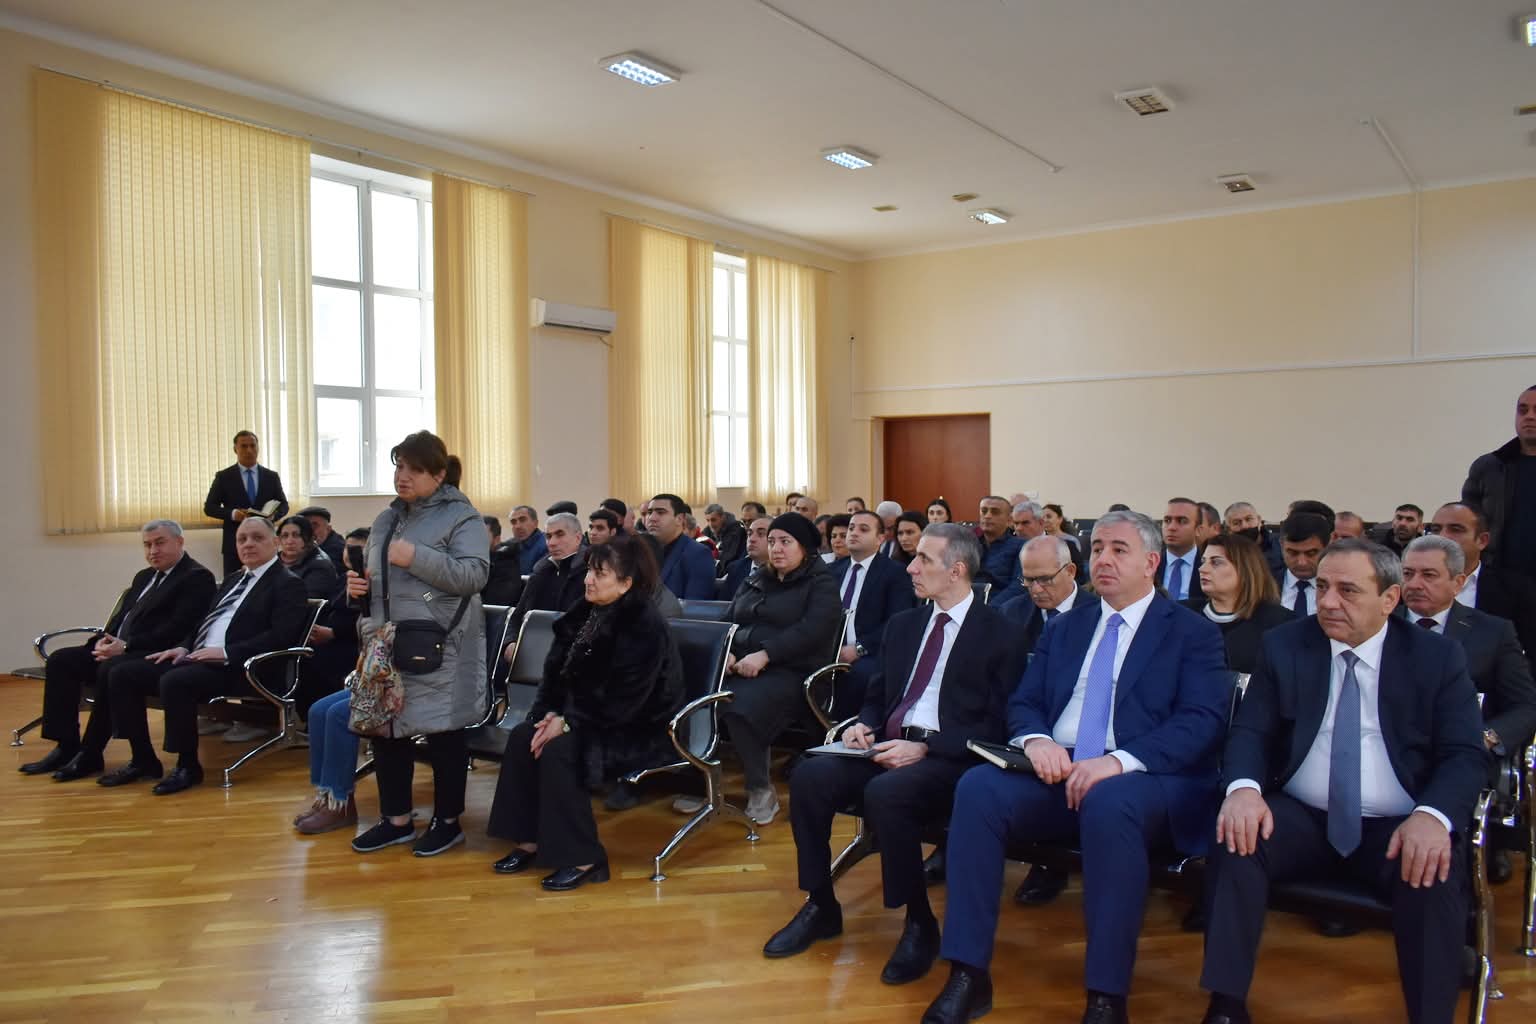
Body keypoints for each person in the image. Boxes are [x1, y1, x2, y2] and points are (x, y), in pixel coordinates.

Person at [924, 510, 1230, 1024]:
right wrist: (1037, 740)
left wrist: (1116, 761)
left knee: (1109, 803)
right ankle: (967, 973)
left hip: (1143, 778)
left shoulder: (1191, 633)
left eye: (1119, 550)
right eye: (1099, 548)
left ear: (1151, 562)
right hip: (1059, 770)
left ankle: (1106, 997)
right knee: (978, 788)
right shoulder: (1069, 626)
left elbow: (1201, 722)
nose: (1103, 559)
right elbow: (1025, 701)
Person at [1198, 539, 1486, 1024]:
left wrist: (1433, 816)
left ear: (1389, 599)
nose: (1329, 602)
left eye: (1348, 590)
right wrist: (1244, 789)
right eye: (1323, 587)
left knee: (1433, 869)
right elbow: (1251, 731)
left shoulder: (1436, 657)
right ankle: (1225, 1006)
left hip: (1398, 822)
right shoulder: (1287, 644)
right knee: (1236, 838)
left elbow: (1464, 754)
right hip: (1302, 815)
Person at [764, 524, 1025, 984]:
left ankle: (918, 920)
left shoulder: (1000, 633)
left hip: (950, 757)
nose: (911, 568)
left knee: (889, 794)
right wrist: (863, 724)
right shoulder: (905, 626)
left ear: (957, 570)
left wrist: (925, 746)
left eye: (924, 559)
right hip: (887, 744)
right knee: (809, 775)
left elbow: (997, 722)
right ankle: (820, 904)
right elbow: (879, 695)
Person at [487, 535, 685, 888]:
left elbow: (627, 698)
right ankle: (529, 840)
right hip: (586, 718)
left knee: (562, 751)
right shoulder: (584, 613)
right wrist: (549, 715)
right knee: (523, 736)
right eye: (589, 571)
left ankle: (585, 858)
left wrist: (568, 723)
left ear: (626, 583)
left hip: (636, 727)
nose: (588, 580)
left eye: (600, 574)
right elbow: (555, 677)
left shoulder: (643, 624)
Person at [81, 515, 308, 794]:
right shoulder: (234, 579)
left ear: (275, 543)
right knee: (122, 673)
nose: (248, 544)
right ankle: (143, 759)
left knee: (176, 681)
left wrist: (225, 652)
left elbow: (281, 637)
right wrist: (184, 646)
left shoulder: (287, 583)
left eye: (257, 538)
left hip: (244, 667)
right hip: (201, 659)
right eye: (241, 539)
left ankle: (187, 766)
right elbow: (203, 623)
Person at [346, 430, 489, 856]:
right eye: (399, 466)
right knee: (388, 730)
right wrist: (357, 590)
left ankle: (448, 823)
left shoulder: (463, 518)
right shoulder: (386, 520)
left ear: (439, 475)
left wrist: (417, 558)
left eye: (414, 469)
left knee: (444, 733)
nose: (402, 476)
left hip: (441, 644)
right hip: (388, 643)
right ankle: (397, 820)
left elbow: (474, 575)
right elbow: (381, 582)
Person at [22, 520, 216, 778]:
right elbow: (120, 620)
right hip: (121, 648)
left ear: (180, 542)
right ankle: (66, 746)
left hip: (154, 651)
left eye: (160, 543)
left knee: (112, 669)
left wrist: (126, 646)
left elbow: (178, 628)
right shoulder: (144, 576)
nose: (152, 551)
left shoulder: (196, 577)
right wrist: (101, 642)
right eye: (147, 545)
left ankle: (91, 752)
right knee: (61, 660)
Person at [681, 513, 841, 825]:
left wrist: (766, 654)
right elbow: (728, 619)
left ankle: (760, 788)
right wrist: (725, 651)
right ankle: (704, 783)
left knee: (740, 706)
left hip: (794, 671)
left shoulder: (821, 583)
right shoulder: (756, 579)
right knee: (693, 696)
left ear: (805, 547)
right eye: (772, 542)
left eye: (785, 542)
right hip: (741, 666)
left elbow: (813, 631)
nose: (776, 548)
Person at [1401, 536, 1536, 758]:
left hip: (1462, 755)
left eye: (1428, 575)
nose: (1415, 584)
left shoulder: (1493, 632)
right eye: (1408, 574)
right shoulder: (1378, 625)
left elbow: (1525, 706)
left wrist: (1485, 738)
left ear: (1458, 583)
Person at [829, 509, 918, 719]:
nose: (853, 533)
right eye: (851, 528)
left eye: (863, 529)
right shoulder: (831, 571)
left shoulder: (895, 573)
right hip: (828, 649)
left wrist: (859, 648)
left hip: (870, 652)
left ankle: (849, 729)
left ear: (880, 538)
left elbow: (898, 621)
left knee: (859, 676)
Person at [1429, 501, 1536, 661]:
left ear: (1482, 540)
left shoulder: (1516, 591)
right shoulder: (1404, 585)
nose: (1442, 537)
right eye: (1436, 529)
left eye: (1456, 529)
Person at [1462, 384, 1536, 582]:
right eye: (1523, 410)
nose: (1529, 416)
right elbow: (1469, 523)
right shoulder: (1488, 467)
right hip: (1499, 579)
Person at [1189, 533, 1291, 674]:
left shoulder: (1279, 622)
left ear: (1245, 568)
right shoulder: (1183, 614)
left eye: (1216, 562)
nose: (1202, 569)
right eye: (1203, 561)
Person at [203, 430, 289, 575]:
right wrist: (233, 514)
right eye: (244, 446)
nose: (249, 450)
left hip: (264, 540)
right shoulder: (224, 477)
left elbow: (284, 505)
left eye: (252, 446)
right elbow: (210, 507)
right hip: (235, 543)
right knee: (235, 583)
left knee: (267, 581)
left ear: (258, 448)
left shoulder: (271, 476)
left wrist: (273, 516)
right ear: (235, 449)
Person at [504, 512, 587, 643]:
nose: (552, 543)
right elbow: (517, 616)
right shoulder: (540, 572)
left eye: (560, 535)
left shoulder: (592, 574)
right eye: (548, 536)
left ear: (578, 538)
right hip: (534, 645)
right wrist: (510, 642)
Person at [645, 494, 716, 599]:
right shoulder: (642, 551)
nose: (651, 518)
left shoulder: (698, 554)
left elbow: (695, 605)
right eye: (649, 512)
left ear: (679, 519)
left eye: (660, 512)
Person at [1277, 512, 1330, 620]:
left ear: (1327, 547)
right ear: (1281, 545)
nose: (1302, 562)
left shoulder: (1344, 589)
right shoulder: (1263, 586)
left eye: (1311, 553)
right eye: (1293, 553)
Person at [276, 515, 339, 599]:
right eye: (285, 536)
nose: (289, 541)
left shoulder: (320, 565)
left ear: (309, 538)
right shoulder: (272, 559)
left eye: (296, 535)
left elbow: (304, 601)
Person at [976, 496, 1024, 604]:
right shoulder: (969, 544)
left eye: (995, 512)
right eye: (984, 511)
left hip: (1002, 607)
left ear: (1009, 520)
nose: (987, 516)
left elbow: (1018, 586)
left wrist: (988, 608)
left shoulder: (1020, 546)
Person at [1156, 497, 1204, 604]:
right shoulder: (1149, 564)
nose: (1172, 527)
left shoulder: (1207, 565)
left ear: (1198, 530)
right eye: (1167, 521)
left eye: (1182, 521)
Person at [1225, 501, 1283, 576]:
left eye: (1248, 519)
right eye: (1236, 523)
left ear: (1259, 520)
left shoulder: (1280, 544)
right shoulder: (1226, 553)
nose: (1244, 526)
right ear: (1229, 529)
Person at [721, 516, 772, 600]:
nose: (751, 539)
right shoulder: (735, 568)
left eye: (760, 534)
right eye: (749, 534)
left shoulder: (782, 571)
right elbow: (724, 604)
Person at [482, 515, 526, 606]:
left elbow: (495, 605)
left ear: (497, 540)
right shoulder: (466, 561)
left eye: (481, 536)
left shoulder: (506, 565)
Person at [703, 503, 747, 569]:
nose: (710, 524)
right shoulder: (707, 530)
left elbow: (728, 557)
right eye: (707, 520)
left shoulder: (736, 531)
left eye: (713, 520)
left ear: (723, 517)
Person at [508, 505, 547, 574]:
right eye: (513, 522)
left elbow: (540, 576)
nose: (517, 526)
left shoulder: (547, 543)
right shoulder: (508, 546)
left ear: (535, 523)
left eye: (522, 520)